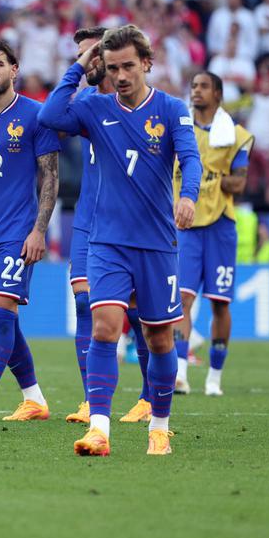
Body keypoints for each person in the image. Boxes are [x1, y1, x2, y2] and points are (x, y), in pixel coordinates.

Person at [39, 24, 202, 456]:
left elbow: (190, 157)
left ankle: (160, 426)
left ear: (146, 63)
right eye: (113, 68)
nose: (121, 75)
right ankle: (99, 428)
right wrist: (78, 66)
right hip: (107, 243)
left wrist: (187, 197)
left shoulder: (170, 109)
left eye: (129, 65)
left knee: (159, 339)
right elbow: (50, 115)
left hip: (157, 245)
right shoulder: (96, 110)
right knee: (105, 327)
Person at [63, 27, 156, 426]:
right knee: (86, 304)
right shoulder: (86, 102)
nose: (90, 62)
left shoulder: (139, 103)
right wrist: (79, 67)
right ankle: (91, 400)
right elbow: (53, 114)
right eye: (84, 56)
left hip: (131, 221)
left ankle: (150, 397)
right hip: (89, 218)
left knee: (139, 315)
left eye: (93, 54)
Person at [0, 41, 59, 422]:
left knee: (1, 314)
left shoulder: (36, 116)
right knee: (2, 317)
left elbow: (50, 177)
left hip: (17, 234)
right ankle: (34, 399)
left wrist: (39, 231)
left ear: (14, 69)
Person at [173, 72, 253, 396]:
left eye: (203, 86)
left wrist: (215, 178)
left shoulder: (234, 135)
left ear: (218, 94)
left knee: (220, 304)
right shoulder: (179, 128)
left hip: (220, 224)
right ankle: (180, 374)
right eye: (193, 86)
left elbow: (240, 182)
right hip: (187, 223)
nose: (196, 91)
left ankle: (214, 378)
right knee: (182, 299)